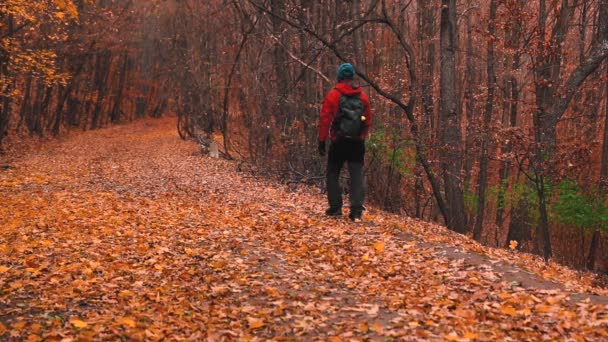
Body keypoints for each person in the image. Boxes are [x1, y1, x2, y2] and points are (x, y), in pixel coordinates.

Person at [318, 63, 372, 221]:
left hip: (338, 141)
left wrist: (322, 140)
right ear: (352, 77)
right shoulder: (362, 95)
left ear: (339, 77)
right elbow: (368, 120)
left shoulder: (333, 95)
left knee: (333, 172)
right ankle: (356, 210)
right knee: (356, 174)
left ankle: (335, 208)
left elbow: (325, 120)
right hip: (356, 142)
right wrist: (361, 136)